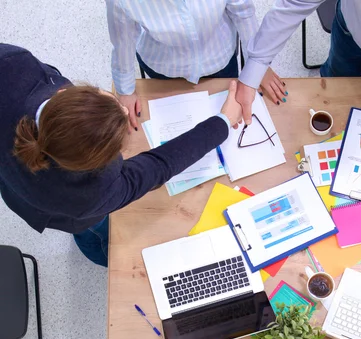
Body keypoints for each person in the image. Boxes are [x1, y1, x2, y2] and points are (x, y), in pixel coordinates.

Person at [0, 44, 242, 267]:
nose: (126, 109)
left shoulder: (11, 65)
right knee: (95, 231)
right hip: (57, 207)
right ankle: (100, 254)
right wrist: (222, 123)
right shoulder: (95, 192)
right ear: (95, 163)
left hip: (14, 182)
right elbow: (158, 166)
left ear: (63, 93)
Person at [106, 0, 286, 131]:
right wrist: (125, 90)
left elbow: (242, 11)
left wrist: (257, 65)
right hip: (164, 67)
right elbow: (123, 40)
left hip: (219, 57)